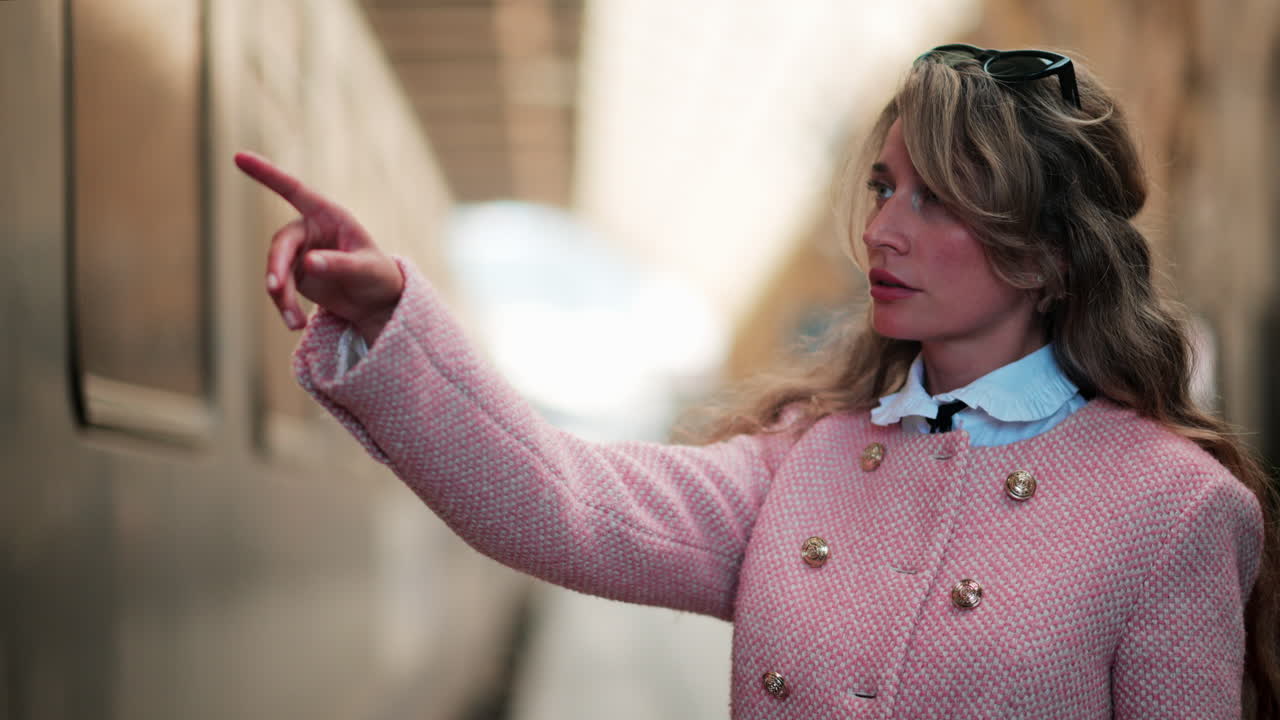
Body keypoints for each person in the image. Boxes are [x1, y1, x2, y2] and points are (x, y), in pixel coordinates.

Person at [236, 43, 1278, 718]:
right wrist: (390, 321)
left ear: (1050, 253)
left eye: (936, 201)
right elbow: (562, 501)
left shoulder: (1173, 510)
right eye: (881, 187)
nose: (879, 228)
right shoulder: (809, 461)